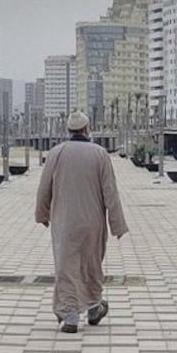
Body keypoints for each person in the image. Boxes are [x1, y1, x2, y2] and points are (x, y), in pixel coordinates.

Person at [35, 111, 128, 333]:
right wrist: (118, 225)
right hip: (93, 222)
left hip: (65, 222)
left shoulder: (56, 153)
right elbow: (110, 192)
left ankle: (70, 315)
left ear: (69, 131)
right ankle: (94, 306)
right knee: (91, 265)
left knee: (66, 267)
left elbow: (44, 188)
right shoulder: (100, 154)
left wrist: (42, 214)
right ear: (87, 129)